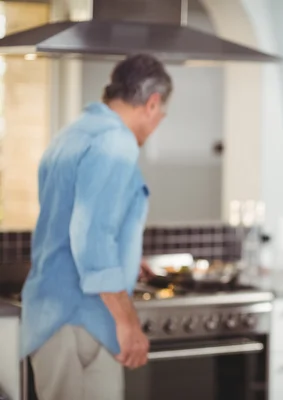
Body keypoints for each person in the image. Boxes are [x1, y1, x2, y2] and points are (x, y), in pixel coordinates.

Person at [21, 53, 172, 400]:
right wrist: (129, 322)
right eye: (161, 115)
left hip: (55, 316)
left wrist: (128, 260)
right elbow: (90, 237)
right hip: (80, 319)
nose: (157, 122)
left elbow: (72, 219)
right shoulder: (115, 142)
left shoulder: (71, 133)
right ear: (152, 103)